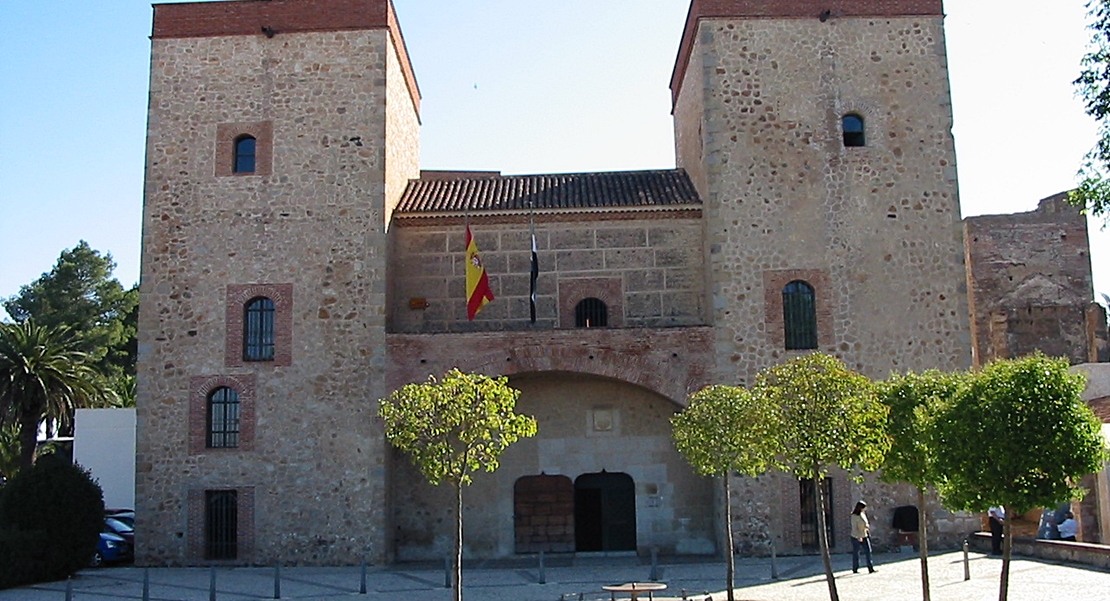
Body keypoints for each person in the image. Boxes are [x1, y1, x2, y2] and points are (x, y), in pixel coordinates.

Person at [850, 501, 875, 573]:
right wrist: (858, 536)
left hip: (864, 534)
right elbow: (854, 527)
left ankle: (870, 567)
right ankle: (855, 568)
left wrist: (867, 527)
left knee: (868, 551)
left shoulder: (862, 514)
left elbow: (865, 522)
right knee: (856, 552)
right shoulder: (854, 516)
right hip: (856, 536)